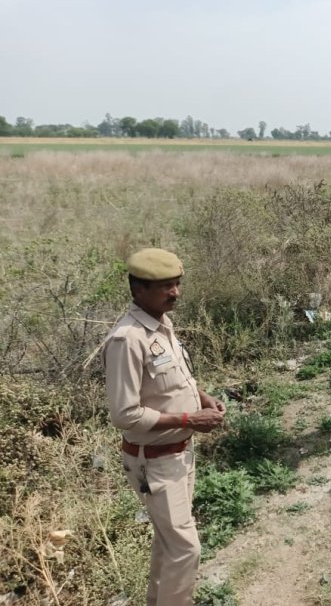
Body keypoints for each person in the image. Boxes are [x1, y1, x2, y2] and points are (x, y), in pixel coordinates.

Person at [103, 248, 226, 606]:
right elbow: (124, 415)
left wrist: (202, 399)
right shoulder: (127, 339)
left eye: (176, 284)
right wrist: (189, 420)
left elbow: (174, 380)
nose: (174, 293)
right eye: (164, 287)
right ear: (137, 290)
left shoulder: (159, 323)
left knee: (168, 543)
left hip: (177, 455)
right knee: (186, 549)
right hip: (154, 462)